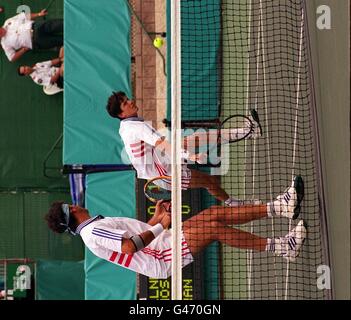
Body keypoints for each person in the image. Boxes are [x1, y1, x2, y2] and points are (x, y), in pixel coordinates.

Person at [45, 176, 306, 279]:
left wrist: (157, 219)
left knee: (212, 213)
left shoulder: (93, 228)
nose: (77, 204)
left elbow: (132, 238)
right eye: (72, 204)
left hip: (162, 243)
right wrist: (161, 228)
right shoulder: (92, 231)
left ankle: (280, 207)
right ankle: (283, 247)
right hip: (162, 257)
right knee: (213, 228)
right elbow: (128, 248)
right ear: (73, 212)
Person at [106, 91, 263, 207]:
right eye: (125, 103)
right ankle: (235, 203)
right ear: (121, 114)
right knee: (210, 182)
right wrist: (190, 156)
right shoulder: (135, 128)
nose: (131, 102)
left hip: (161, 160)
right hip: (166, 174)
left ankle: (248, 131)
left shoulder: (127, 126)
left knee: (200, 137)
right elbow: (162, 145)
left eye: (127, 99)